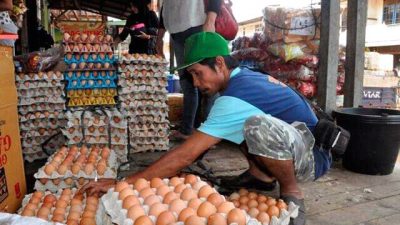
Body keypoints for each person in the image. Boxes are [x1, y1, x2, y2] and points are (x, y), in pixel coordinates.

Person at [80, 32, 333, 225]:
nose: (196, 82)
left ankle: (291, 191)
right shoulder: (242, 78)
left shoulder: (236, 95)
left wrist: (125, 183)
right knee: (239, 124)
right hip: (298, 144)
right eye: (191, 76)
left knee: (257, 126)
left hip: (312, 157)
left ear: (220, 64)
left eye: (197, 73)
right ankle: (261, 176)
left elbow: (186, 153)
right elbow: (202, 143)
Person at [157, 0, 221, 140]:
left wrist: (210, 20)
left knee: (208, 82)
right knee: (188, 84)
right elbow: (165, 6)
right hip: (175, 33)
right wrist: (160, 36)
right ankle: (187, 130)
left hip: (196, 26)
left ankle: (211, 132)